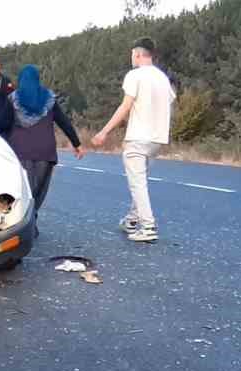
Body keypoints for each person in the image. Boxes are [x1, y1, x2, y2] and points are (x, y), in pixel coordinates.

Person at [91, 37, 175, 243]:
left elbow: (125, 106)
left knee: (137, 183)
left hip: (139, 136)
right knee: (141, 181)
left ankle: (148, 226)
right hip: (157, 138)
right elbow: (170, 102)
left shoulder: (135, 75)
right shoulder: (162, 78)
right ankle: (131, 219)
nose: (131, 58)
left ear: (137, 54)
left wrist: (104, 132)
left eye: (132, 54)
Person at [5, 65, 84, 230]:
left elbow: (4, 124)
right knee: (38, 191)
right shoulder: (49, 99)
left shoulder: (13, 99)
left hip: (20, 151)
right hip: (45, 151)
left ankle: (24, 224)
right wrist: (76, 144)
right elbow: (64, 122)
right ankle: (31, 221)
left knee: (24, 191)